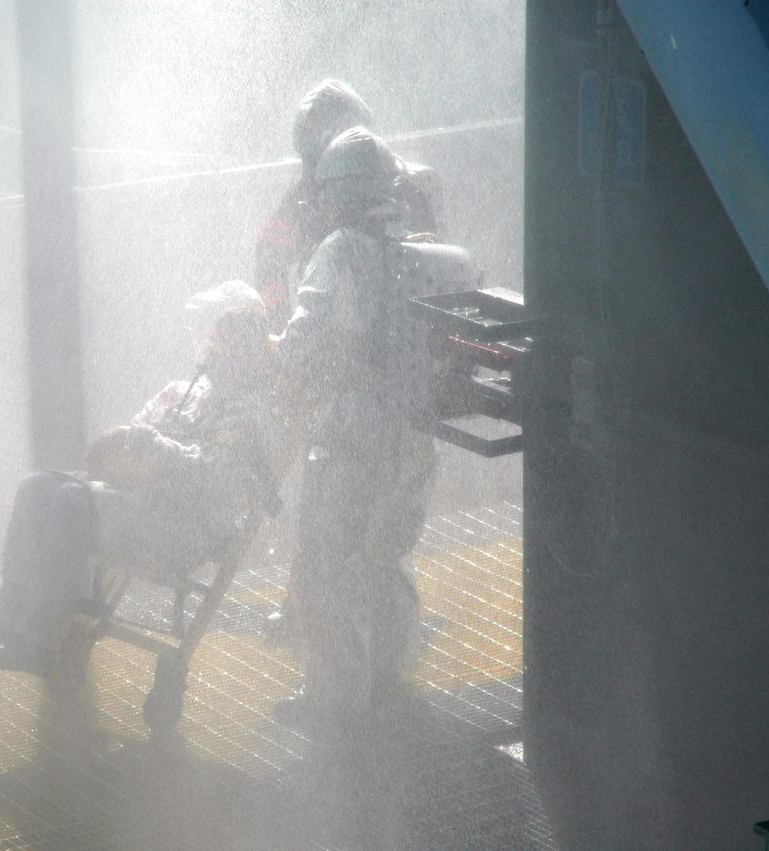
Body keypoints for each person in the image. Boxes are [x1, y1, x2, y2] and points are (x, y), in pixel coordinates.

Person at [276, 126, 478, 845]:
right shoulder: (429, 257)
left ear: (336, 196)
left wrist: (272, 356)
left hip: (353, 440)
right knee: (386, 557)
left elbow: (304, 342)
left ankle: (341, 710)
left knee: (329, 568)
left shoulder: (337, 253)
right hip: (413, 442)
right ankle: (393, 677)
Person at [0, 282, 282, 675]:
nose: (213, 344)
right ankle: (8, 621)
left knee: (72, 502)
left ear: (247, 352)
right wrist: (121, 449)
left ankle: (38, 639)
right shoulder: (186, 390)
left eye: (226, 338)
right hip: (142, 500)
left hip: (183, 525)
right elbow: (137, 429)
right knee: (36, 487)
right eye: (216, 333)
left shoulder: (247, 414)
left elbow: (207, 474)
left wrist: (145, 443)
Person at [254, 78, 443, 333]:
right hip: (337, 335)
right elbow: (268, 257)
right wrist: (280, 326)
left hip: (400, 332)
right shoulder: (302, 198)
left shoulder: (411, 190)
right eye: (309, 160)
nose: (311, 177)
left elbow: (435, 273)